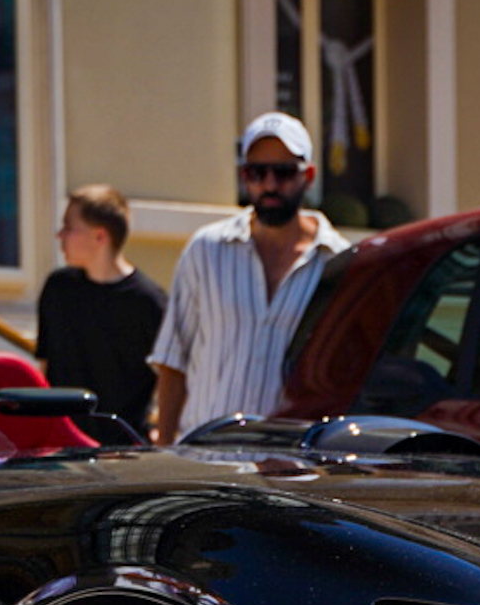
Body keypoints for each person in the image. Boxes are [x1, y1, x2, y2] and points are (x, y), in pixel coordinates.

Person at [149, 113, 350, 444]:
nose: (269, 185)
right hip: (206, 462)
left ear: (309, 175)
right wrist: (164, 453)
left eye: (283, 173)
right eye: (257, 172)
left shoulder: (339, 263)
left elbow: (340, 380)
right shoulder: (206, 249)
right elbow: (173, 360)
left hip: (292, 469)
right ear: (244, 176)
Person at [37, 184, 167, 429]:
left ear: (99, 236)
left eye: (68, 227)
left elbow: (170, 380)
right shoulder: (57, 288)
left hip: (124, 452)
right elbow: (44, 368)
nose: (60, 235)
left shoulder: (149, 302)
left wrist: (159, 431)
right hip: (61, 446)